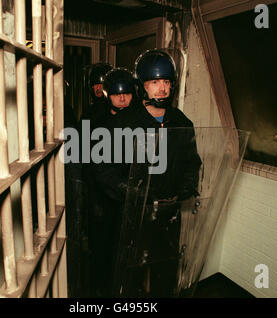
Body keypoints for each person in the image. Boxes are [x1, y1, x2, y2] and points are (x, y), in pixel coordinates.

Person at [96, 49, 202, 297]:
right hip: (133, 214)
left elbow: (191, 162)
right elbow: (102, 168)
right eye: (154, 82)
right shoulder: (123, 123)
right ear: (142, 86)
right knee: (128, 278)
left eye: (166, 82)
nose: (162, 89)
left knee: (165, 275)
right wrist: (129, 190)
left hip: (168, 217)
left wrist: (184, 188)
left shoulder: (182, 123)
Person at [85, 67, 139, 297]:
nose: (123, 98)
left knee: (126, 247)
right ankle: (101, 290)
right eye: (117, 94)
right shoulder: (96, 119)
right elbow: (91, 163)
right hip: (103, 194)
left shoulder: (139, 119)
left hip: (129, 194)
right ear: (108, 95)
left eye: (126, 93)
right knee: (102, 246)